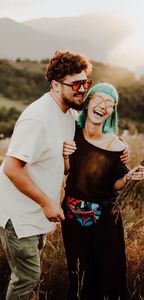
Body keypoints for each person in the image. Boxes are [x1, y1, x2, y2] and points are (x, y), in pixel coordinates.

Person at [0, 50, 94, 300]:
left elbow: (60, 165)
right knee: (27, 277)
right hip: (19, 216)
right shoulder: (37, 118)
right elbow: (11, 168)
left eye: (85, 82)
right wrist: (46, 202)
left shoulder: (68, 114)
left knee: (30, 277)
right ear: (55, 85)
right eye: (76, 84)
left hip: (38, 213)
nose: (82, 89)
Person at [61, 83, 144, 300]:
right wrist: (64, 155)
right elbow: (65, 171)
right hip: (72, 218)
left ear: (112, 111)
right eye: (98, 99)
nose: (103, 106)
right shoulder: (71, 133)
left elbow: (114, 185)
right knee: (78, 274)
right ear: (88, 102)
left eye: (110, 104)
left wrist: (128, 177)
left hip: (105, 221)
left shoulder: (116, 145)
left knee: (107, 274)